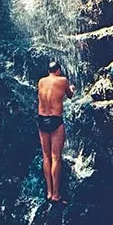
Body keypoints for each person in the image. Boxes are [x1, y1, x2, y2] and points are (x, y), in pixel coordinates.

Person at [37, 60, 75, 203]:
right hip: (55, 120)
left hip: (41, 120)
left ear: (48, 71)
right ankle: (56, 194)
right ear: (58, 70)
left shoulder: (41, 81)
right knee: (55, 158)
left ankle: (48, 192)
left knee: (46, 157)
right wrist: (71, 88)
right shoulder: (63, 80)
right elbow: (70, 95)